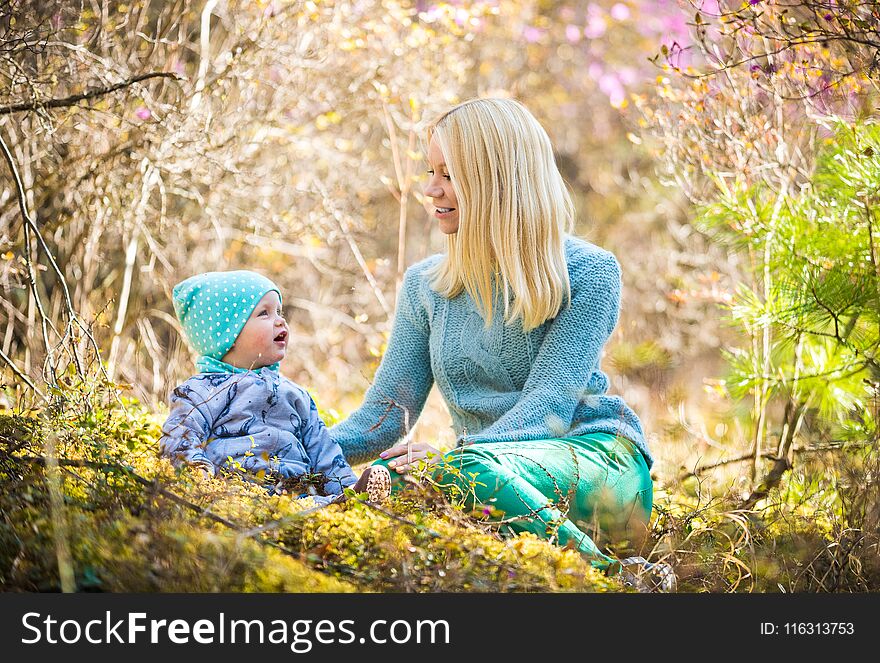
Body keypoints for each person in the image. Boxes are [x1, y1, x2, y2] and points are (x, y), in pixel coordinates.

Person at [329, 98, 675, 591]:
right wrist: (290, 454)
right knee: (388, 480)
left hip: (595, 463)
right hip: (483, 476)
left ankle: (619, 584)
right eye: (431, 172)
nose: (430, 190)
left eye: (448, 175)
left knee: (456, 473)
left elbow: (547, 405)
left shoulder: (587, 271)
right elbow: (380, 420)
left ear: (496, 180)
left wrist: (449, 462)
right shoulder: (425, 286)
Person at [158, 270, 392, 505]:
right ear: (228, 335)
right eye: (264, 314)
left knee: (313, 505)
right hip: (233, 492)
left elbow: (324, 452)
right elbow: (180, 440)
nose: (280, 320)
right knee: (256, 505)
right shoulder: (201, 391)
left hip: (296, 495)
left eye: (279, 312)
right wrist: (200, 479)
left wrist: (346, 485)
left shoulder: (295, 394)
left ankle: (351, 500)